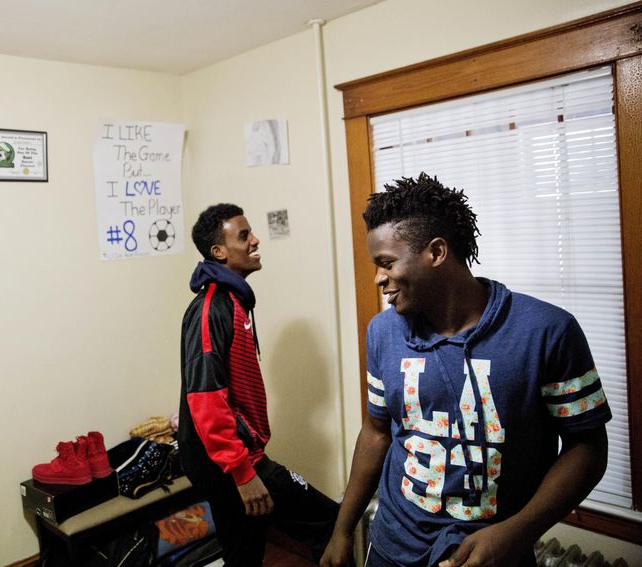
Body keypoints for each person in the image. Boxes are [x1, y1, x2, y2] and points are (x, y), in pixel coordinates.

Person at [320, 173, 611, 567]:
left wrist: (519, 531)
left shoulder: (546, 332)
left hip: (493, 553)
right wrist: (342, 530)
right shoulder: (383, 333)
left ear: (436, 252)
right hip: (392, 548)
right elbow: (376, 432)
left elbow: (587, 448)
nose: (378, 278)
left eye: (387, 263)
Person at [178, 203, 340, 566]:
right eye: (244, 235)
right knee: (332, 522)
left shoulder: (233, 300)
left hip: (233, 457)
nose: (255, 240)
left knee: (244, 553)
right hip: (228, 462)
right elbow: (206, 399)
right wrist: (242, 473)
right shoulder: (212, 308)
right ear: (218, 252)